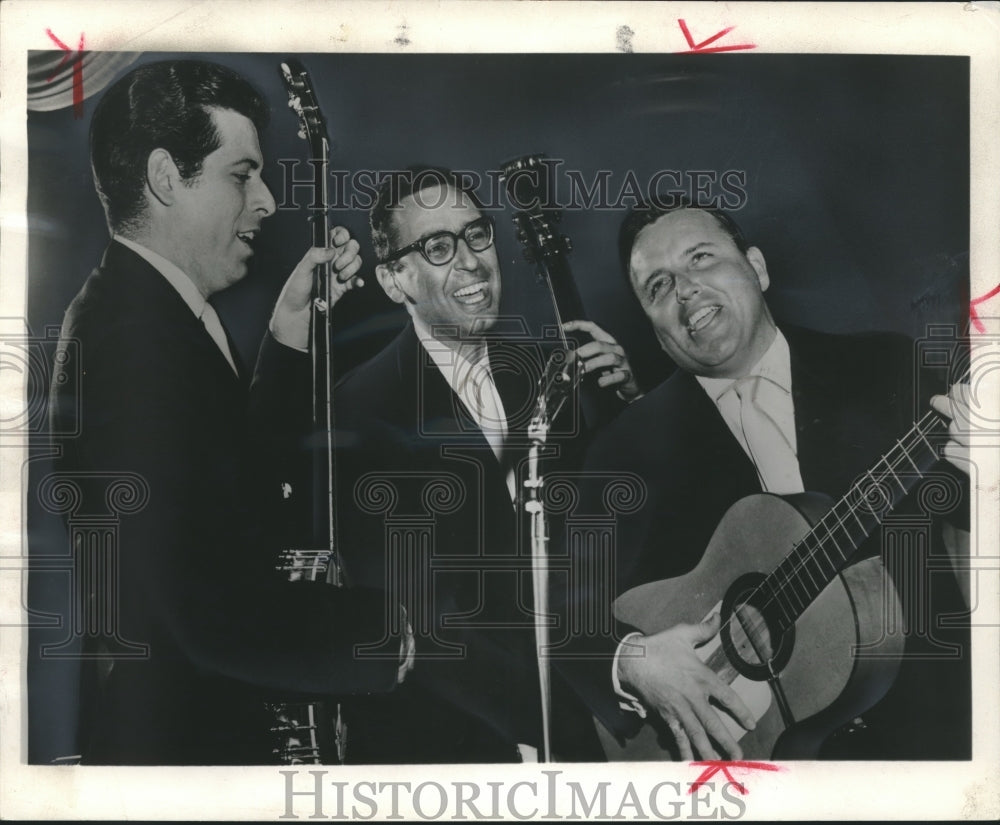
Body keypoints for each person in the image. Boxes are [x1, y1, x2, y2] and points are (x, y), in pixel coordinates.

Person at [47, 59, 410, 765]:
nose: (268, 201)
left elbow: (229, 491)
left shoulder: (149, 315)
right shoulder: (131, 342)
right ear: (164, 177)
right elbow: (207, 612)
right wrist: (385, 628)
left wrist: (288, 332)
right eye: (241, 176)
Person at [582, 202, 972, 760]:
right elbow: (562, 616)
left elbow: (969, 514)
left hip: (928, 738)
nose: (686, 291)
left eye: (702, 258)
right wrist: (632, 661)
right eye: (658, 286)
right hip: (756, 767)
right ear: (651, 322)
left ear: (758, 269)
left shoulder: (884, 365)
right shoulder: (625, 451)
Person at [315, 167, 635, 762]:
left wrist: (626, 409)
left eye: (477, 234)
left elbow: (605, 546)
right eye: (437, 246)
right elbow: (424, 624)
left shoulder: (553, 369)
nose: (470, 261)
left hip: (600, 722)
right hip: (470, 745)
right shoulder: (358, 412)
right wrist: (586, 712)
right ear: (394, 280)